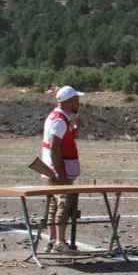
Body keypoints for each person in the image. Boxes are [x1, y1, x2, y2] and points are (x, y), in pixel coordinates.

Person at [40, 86, 85, 253]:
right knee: (63, 203)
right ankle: (59, 241)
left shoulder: (59, 118)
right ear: (70, 101)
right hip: (59, 168)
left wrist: (75, 129)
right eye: (76, 100)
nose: (78, 103)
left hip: (54, 166)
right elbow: (54, 145)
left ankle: (53, 240)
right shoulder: (59, 120)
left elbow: (64, 140)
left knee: (54, 202)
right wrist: (59, 172)